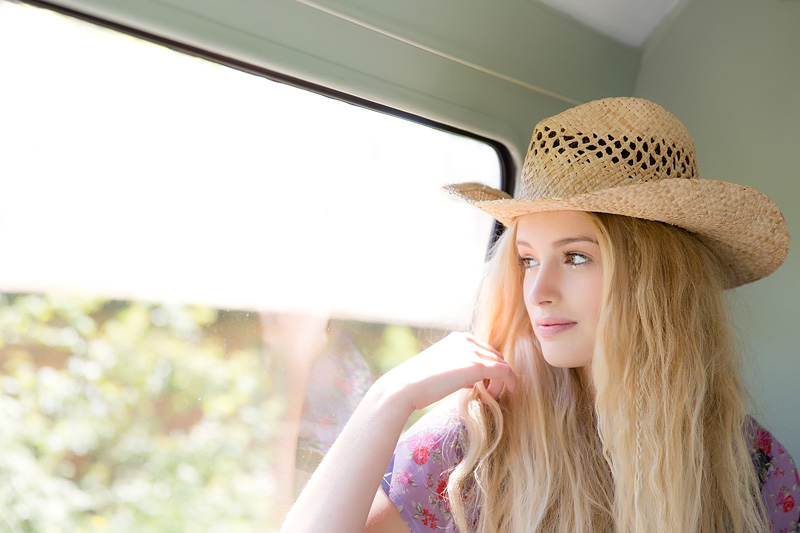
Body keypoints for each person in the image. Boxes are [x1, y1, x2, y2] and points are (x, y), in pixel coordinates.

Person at [281, 97, 799, 532]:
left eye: (575, 257)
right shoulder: (478, 442)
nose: (537, 292)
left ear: (656, 282)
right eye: (527, 260)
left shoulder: (751, 467)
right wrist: (388, 398)